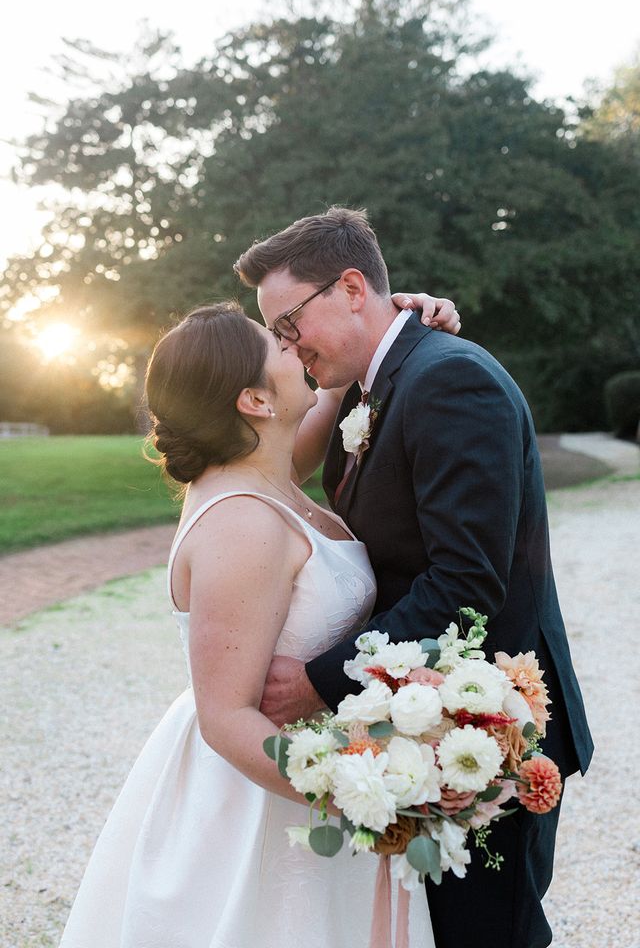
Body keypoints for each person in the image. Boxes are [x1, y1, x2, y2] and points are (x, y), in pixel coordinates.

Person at [235, 206, 594, 948]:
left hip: (491, 734)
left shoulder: (449, 382)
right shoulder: (374, 388)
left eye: (289, 322)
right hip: (425, 728)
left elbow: (465, 587)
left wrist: (320, 681)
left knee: (490, 936)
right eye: (277, 333)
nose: (284, 343)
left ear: (353, 287)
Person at [59, 295, 459, 948]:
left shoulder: (266, 474)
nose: (293, 341)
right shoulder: (242, 524)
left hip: (315, 768)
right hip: (268, 802)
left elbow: (331, 391)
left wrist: (399, 324)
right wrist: (363, 795)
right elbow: (227, 718)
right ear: (254, 401)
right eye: (276, 343)